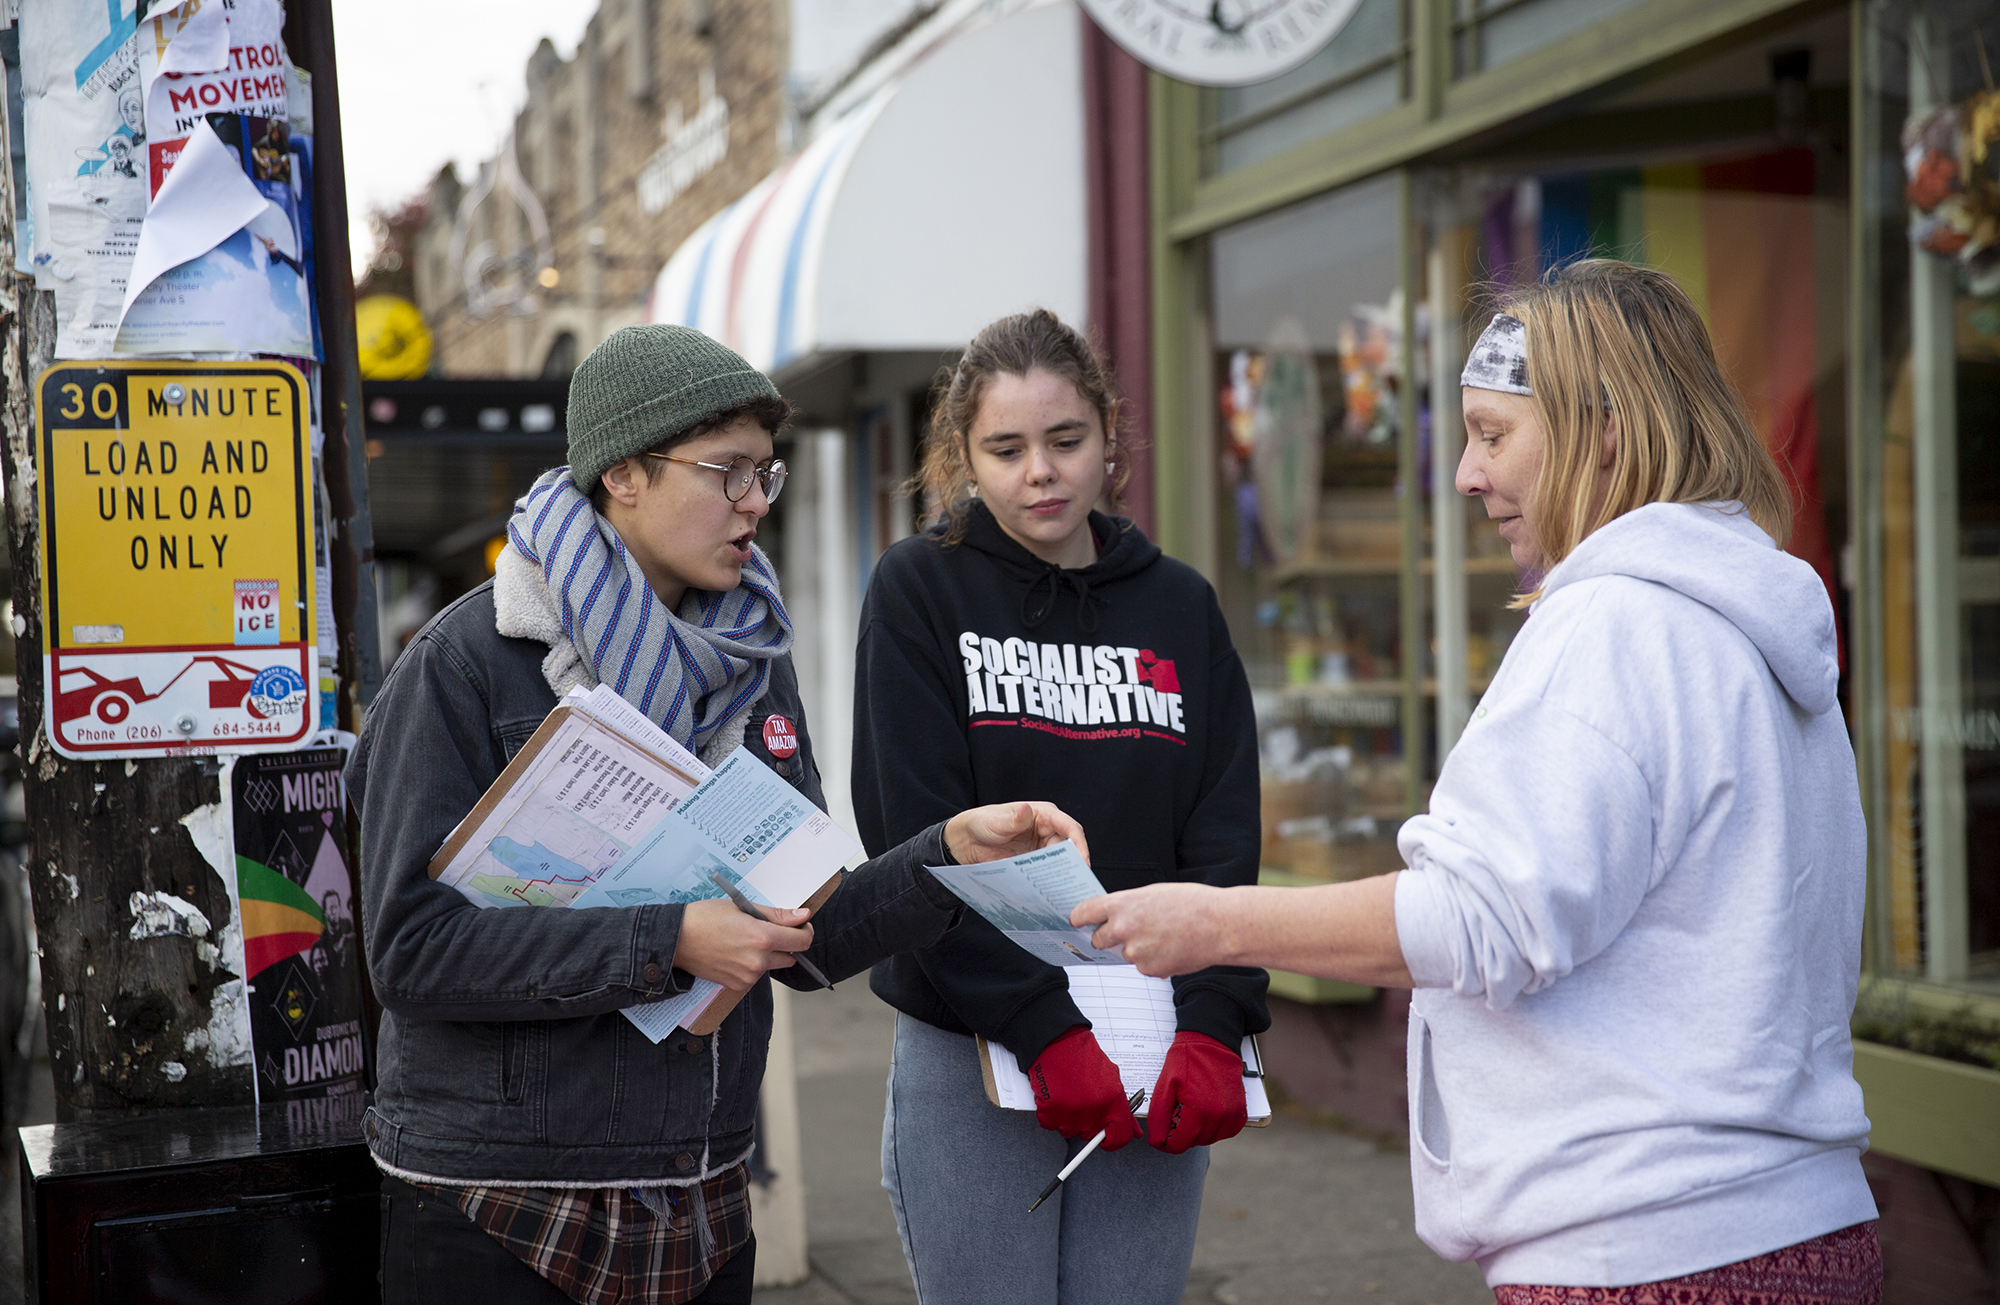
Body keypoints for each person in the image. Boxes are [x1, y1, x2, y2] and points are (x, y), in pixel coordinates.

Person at [1073, 260, 1883, 1304]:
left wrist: (1215, 925)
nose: (1464, 473)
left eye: (1493, 436)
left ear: (1601, 428)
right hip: (1798, 1223)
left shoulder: (1612, 624)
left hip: (1644, 1248)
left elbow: (1479, 918)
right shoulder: (1747, 629)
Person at [349, 325, 1090, 1305]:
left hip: (702, 1196)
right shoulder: (468, 663)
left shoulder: (752, 658)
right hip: (499, 1201)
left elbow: (809, 936)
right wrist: (672, 940)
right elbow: (409, 950)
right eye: (726, 472)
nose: (753, 505)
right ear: (622, 474)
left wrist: (945, 855)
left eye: (764, 476)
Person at [852, 309, 1270, 1304]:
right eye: (1005, 448)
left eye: (1064, 440)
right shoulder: (919, 591)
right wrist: (1042, 1031)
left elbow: (1221, 831)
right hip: (974, 1045)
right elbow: (911, 833)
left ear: (1108, 437)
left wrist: (1216, 1023)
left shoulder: (1179, 605)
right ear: (964, 455)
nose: (1038, 471)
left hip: (1150, 1041)